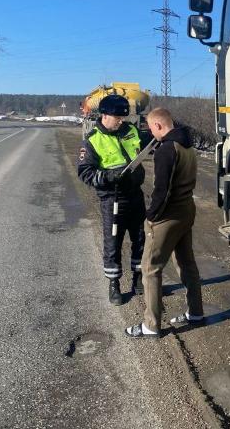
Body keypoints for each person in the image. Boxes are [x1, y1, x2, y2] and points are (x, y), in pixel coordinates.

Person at [125, 108, 203, 338]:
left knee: (150, 268)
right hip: (187, 211)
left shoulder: (167, 150)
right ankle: (196, 312)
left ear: (158, 125)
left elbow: (162, 191)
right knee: (186, 262)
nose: (150, 133)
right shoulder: (188, 145)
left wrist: (151, 217)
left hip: (168, 216)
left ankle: (151, 325)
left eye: (150, 128)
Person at [77, 94, 149, 306]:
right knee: (113, 243)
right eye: (117, 117)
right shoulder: (92, 140)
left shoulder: (131, 130)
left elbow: (146, 145)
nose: (121, 121)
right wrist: (108, 177)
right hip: (113, 200)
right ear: (105, 115)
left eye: (123, 118)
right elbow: (85, 173)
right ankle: (114, 284)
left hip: (135, 195)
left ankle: (138, 279)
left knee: (140, 239)